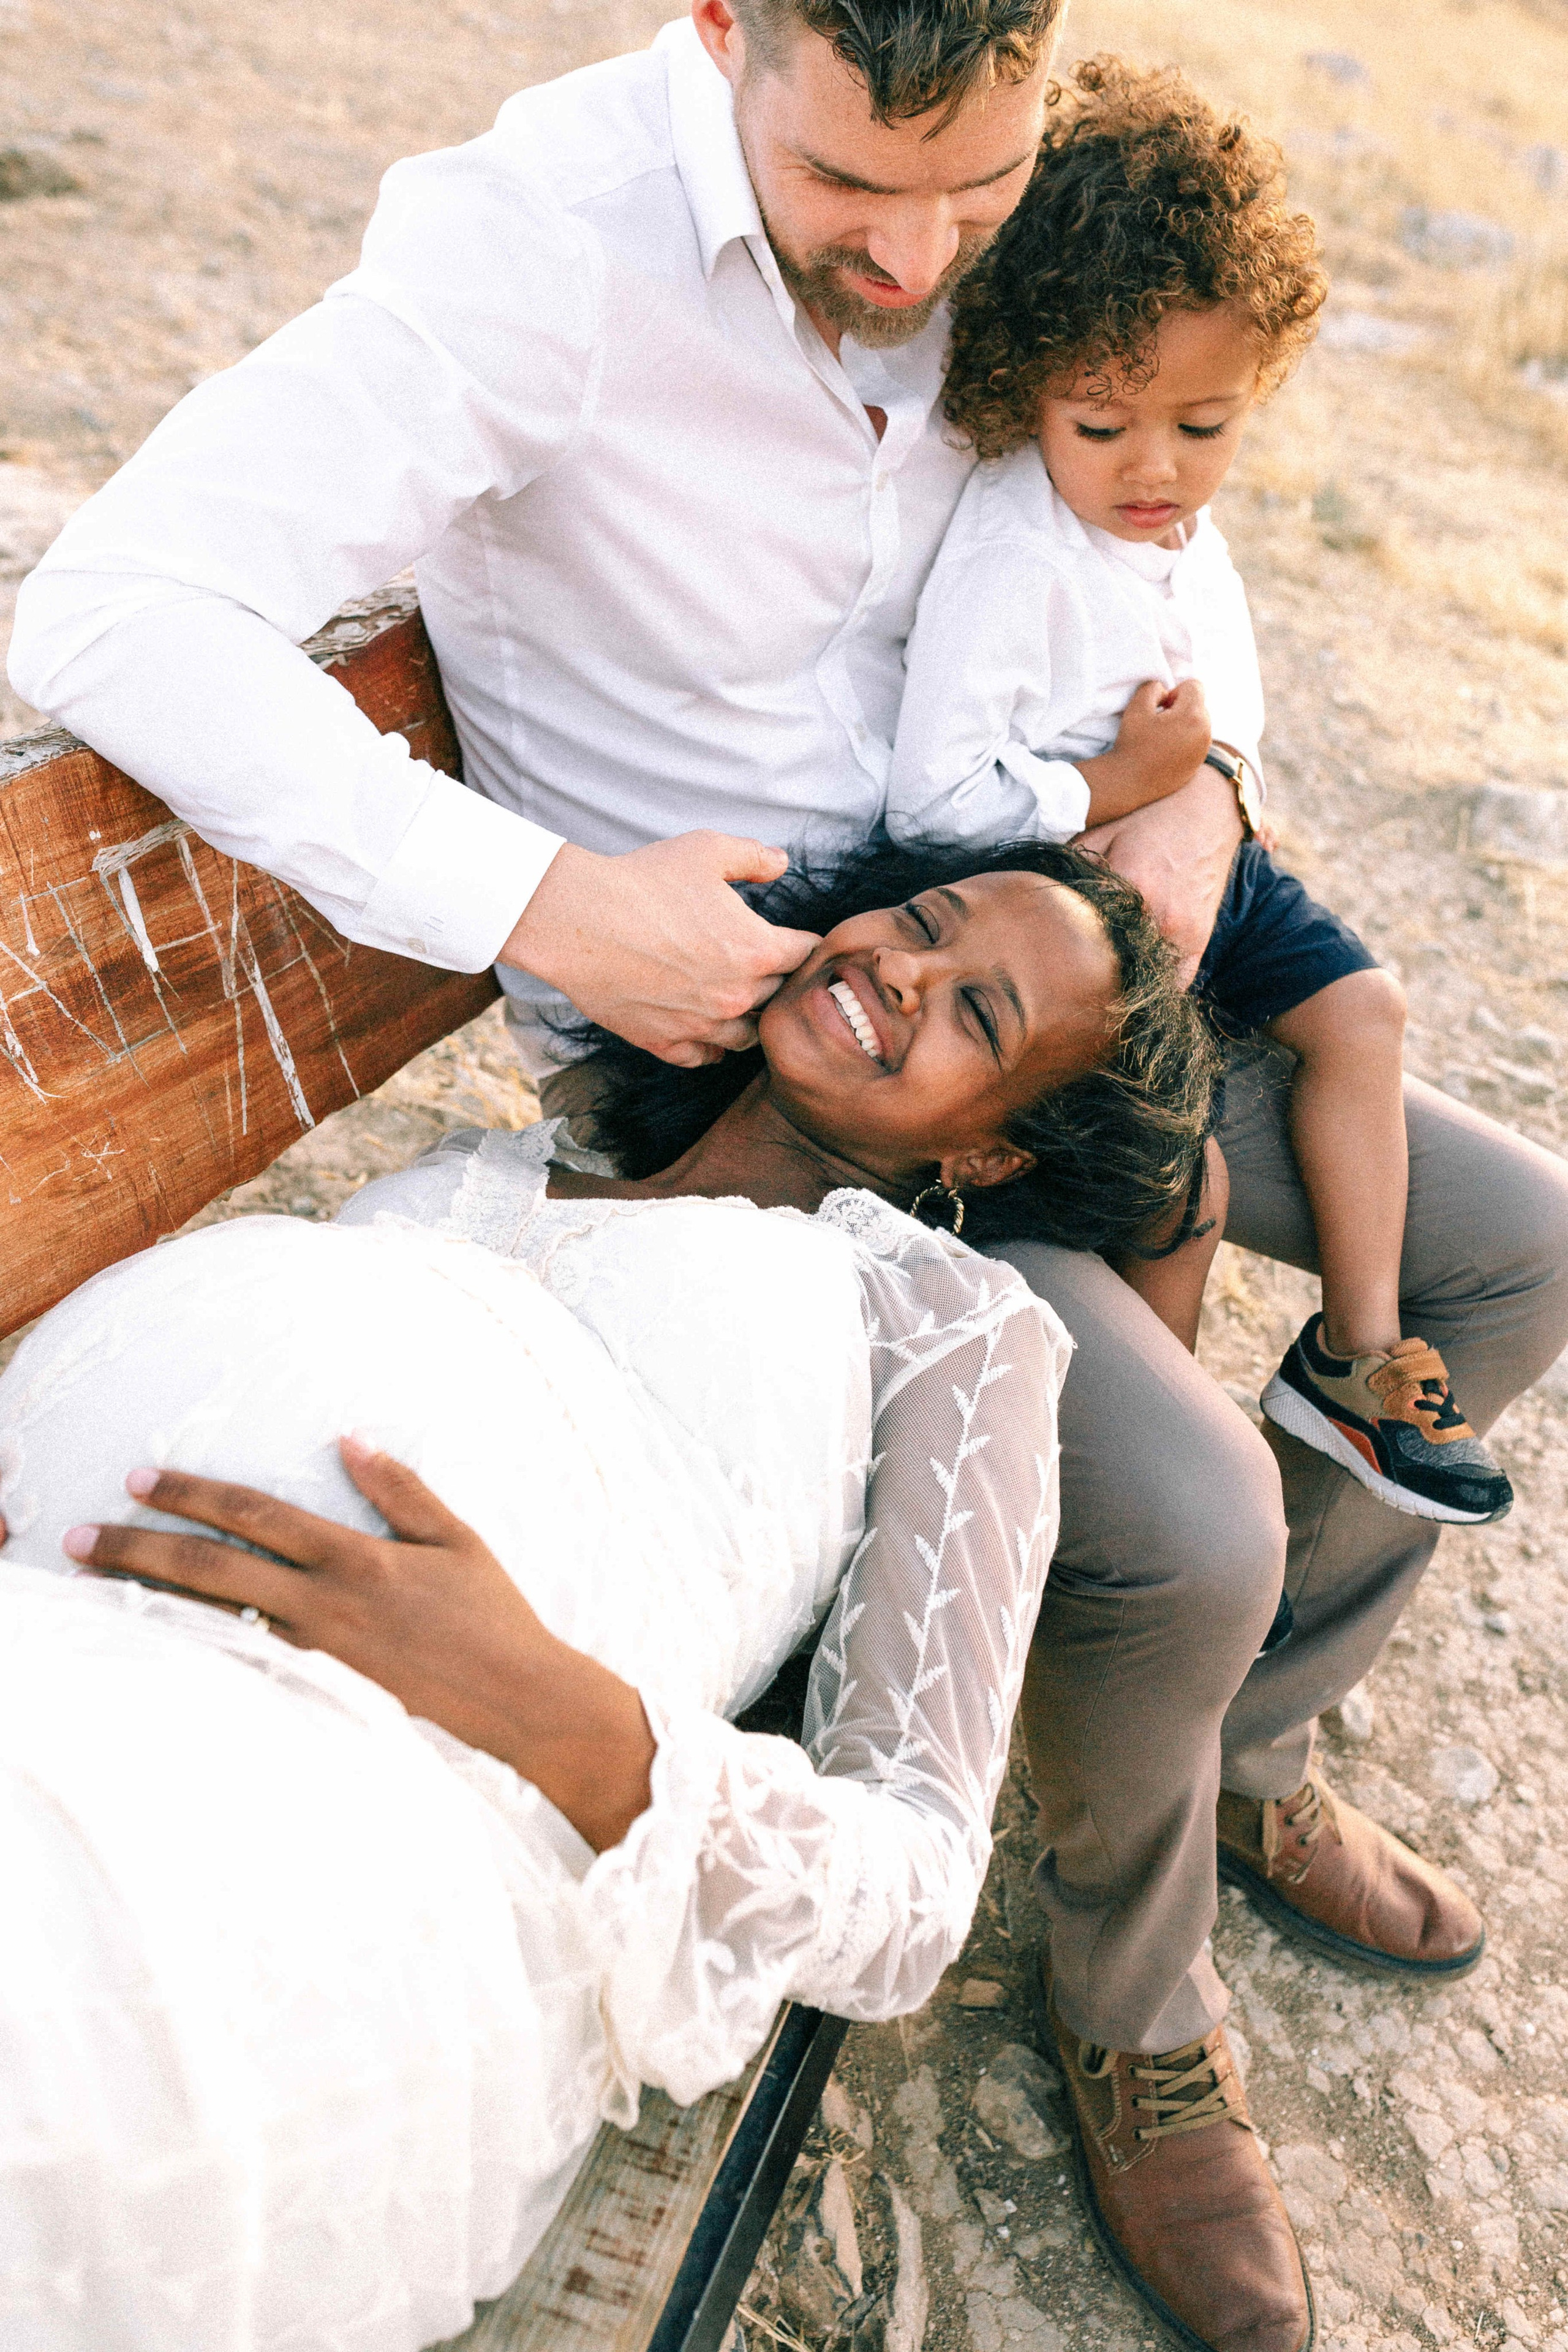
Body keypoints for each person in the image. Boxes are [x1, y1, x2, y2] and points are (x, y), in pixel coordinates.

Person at [8, 8, 1568, 2348]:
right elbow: (118, 610)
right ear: (732, 24)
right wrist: (543, 900)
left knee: (1515, 1244)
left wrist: (1214, 785)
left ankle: (1249, 1743)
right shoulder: (540, 253)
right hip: (780, 1077)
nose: (928, 259)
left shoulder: (1020, 195)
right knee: (1197, 1514)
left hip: (1039, 951)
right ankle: (1131, 2002)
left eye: (981, 189)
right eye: (854, 191)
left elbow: (1161, 506)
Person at [0, 841, 1221, 2352]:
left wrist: (533, 1695)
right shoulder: (502, 1160)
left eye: (978, 1014)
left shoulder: (952, 1324)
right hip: (63, 1626)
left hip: (365, 1787)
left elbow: (912, 1890)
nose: (903, 972)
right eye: (920, 921)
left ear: (990, 1154)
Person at [888, 57, 1512, 1528]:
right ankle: (1144, 1475)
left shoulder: (1180, 528)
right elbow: (931, 801)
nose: (1155, 470)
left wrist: (1220, 782)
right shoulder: (1012, 552)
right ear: (1024, 383)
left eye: (1205, 424)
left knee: (1363, 1012)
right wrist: (1117, 782)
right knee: (1180, 1192)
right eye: (1101, 426)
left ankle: (1356, 1358)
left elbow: (1226, 680)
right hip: (1069, 891)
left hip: (1196, 850)